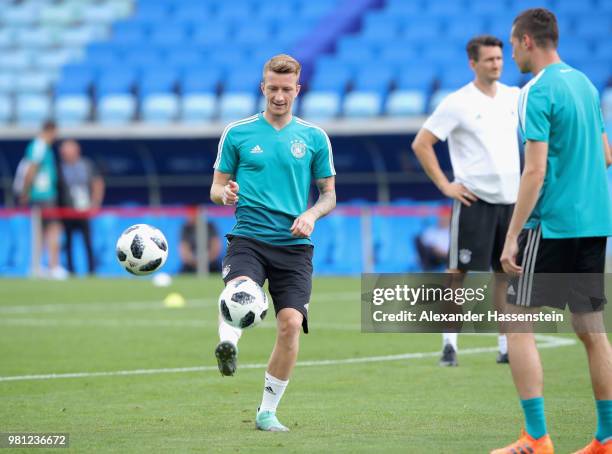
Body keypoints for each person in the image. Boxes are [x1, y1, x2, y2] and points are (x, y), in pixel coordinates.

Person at [494, 9, 612, 454]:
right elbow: (605, 154)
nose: (511, 53)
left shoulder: (535, 91)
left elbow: (535, 169)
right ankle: (606, 438)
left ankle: (536, 437)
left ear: (526, 41)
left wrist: (512, 234)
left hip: (554, 225)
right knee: (592, 330)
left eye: (512, 44)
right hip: (594, 222)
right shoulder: (584, 83)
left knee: (516, 321)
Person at [210, 54, 336, 432]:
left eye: (286, 89)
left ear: (297, 90)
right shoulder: (238, 133)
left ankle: (266, 412)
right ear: (262, 87)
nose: (279, 96)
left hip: (295, 247)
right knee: (241, 288)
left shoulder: (314, 137)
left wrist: (311, 215)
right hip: (248, 236)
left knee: (290, 325)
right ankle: (228, 341)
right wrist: (225, 194)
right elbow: (216, 186)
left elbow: (329, 194)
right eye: (273, 88)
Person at [412, 35, 520, 366]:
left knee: (505, 273)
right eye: (489, 59)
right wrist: (445, 185)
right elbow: (422, 143)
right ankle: (449, 345)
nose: (497, 64)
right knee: (457, 274)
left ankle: (505, 346)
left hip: (512, 202)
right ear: (473, 63)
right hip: (474, 202)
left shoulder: (515, 97)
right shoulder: (457, 102)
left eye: (500, 58)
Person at [18, 120, 67, 279]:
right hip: (43, 195)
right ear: (50, 130)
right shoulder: (39, 146)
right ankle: (50, 266)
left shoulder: (42, 146)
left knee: (44, 230)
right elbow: (31, 168)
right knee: (52, 228)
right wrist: (25, 191)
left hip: (44, 194)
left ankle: (40, 266)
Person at [58, 139, 105, 275]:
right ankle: (71, 271)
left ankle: (91, 270)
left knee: (88, 243)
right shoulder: (60, 167)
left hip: (84, 211)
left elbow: (97, 182)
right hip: (67, 212)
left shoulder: (87, 165)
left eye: (68, 150)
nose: (65, 153)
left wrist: (95, 202)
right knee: (68, 244)